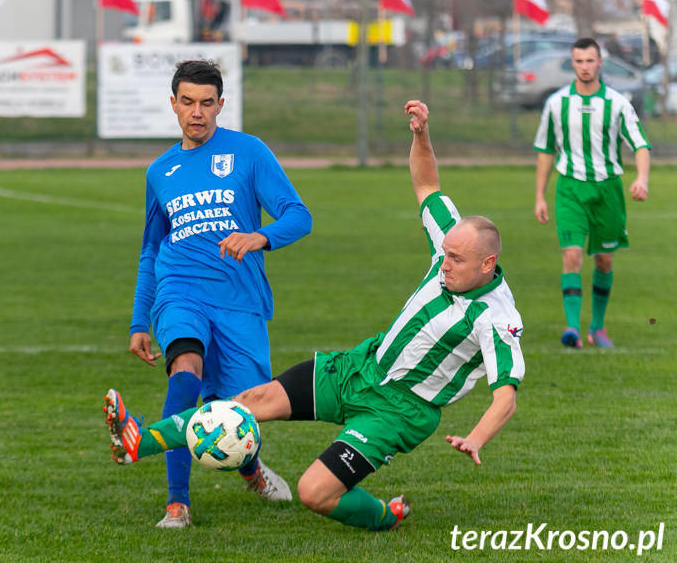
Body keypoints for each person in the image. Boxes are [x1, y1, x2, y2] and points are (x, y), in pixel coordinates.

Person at [106, 99, 525, 531]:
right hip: (360, 367)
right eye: (447, 253)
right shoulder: (452, 244)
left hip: (399, 411)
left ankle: (385, 517)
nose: (446, 262)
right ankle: (140, 442)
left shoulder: (496, 318)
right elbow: (427, 185)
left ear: (487, 265)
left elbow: (505, 396)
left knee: (314, 493)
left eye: (456, 260)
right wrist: (421, 135)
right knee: (245, 403)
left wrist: (476, 437)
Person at [125, 60, 313, 528]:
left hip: (238, 298)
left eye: (207, 103)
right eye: (187, 102)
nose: (197, 112)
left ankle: (250, 469)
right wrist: (138, 321)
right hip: (179, 289)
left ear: (221, 105)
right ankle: (177, 503)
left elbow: (299, 215)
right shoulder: (160, 171)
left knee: (237, 412)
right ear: (173, 105)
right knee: (184, 372)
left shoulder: (249, 153)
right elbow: (150, 251)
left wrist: (260, 237)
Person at [533, 37, 651, 349]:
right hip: (570, 187)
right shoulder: (557, 103)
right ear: (572, 63)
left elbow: (639, 144)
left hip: (607, 189)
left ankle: (597, 328)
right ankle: (572, 329)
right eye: (579, 61)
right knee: (571, 255)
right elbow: (545, 150)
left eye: (590, 61)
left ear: (600, 63)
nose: (584, 67)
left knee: (603, 261)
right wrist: (540, 196)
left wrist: (642, 178)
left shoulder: (617, 103)